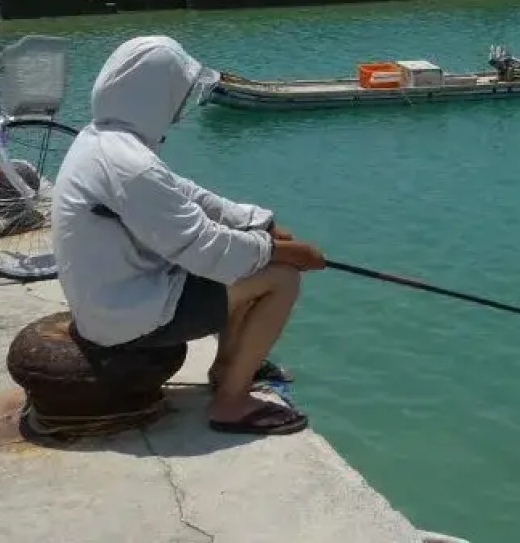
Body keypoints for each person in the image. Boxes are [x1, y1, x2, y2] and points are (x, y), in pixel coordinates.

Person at [51, 35, 327, 436]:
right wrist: (290, 252)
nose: (181, 106)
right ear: (154, 93)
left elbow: (188, 194)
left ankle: (230, 370)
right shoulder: (130, 164)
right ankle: (231, 403)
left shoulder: (103, 142)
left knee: (247, 265)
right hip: (126, 317)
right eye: (178, 93)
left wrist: (259, 222)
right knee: (280, 277)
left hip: (115, 299)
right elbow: (204, 249)